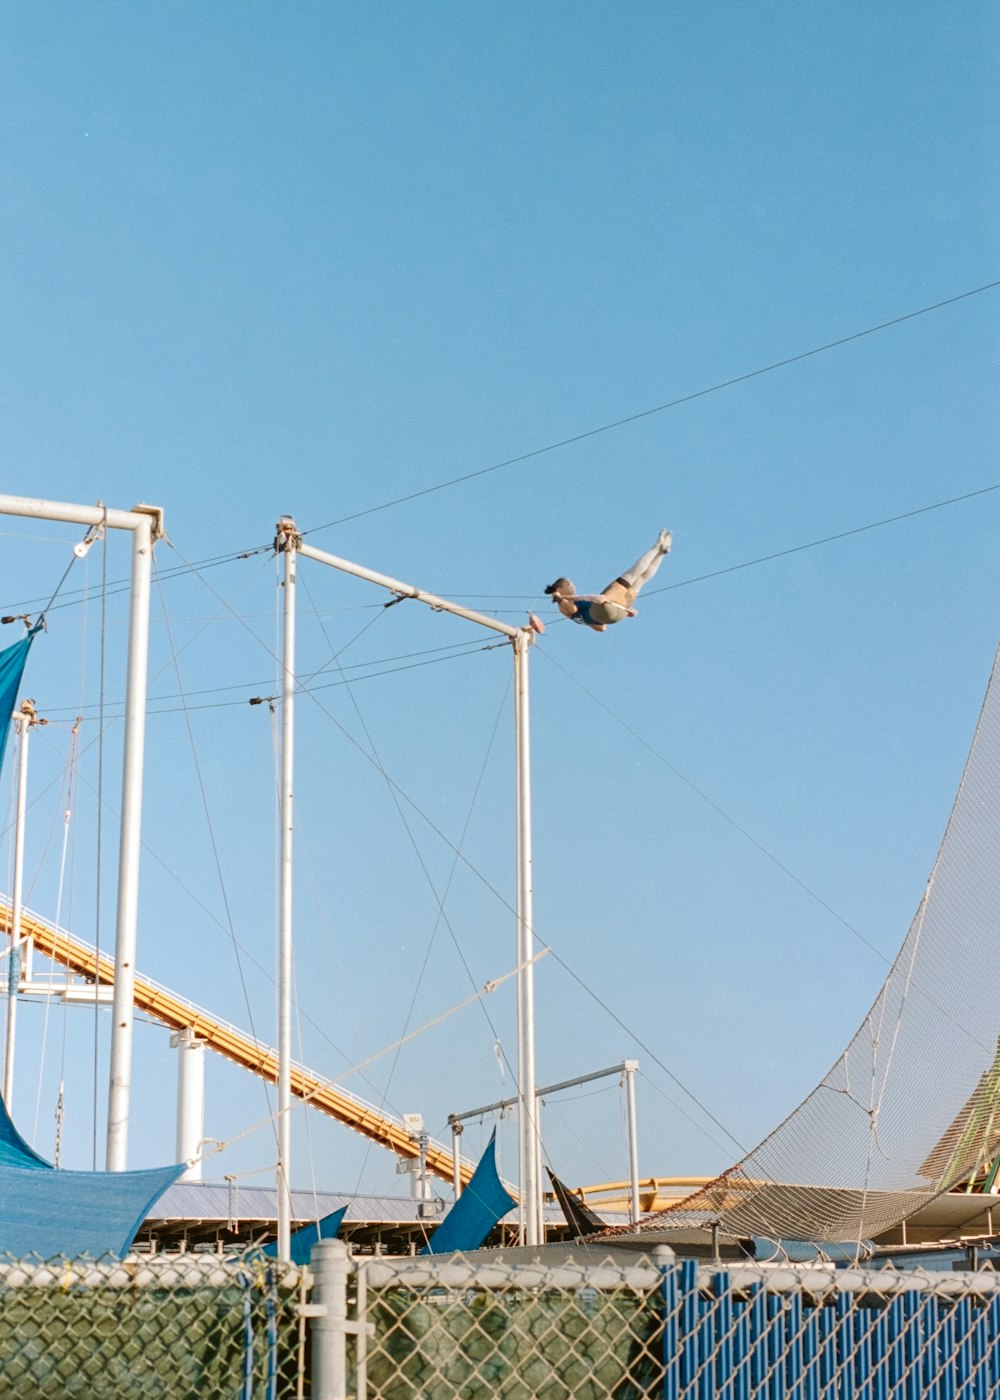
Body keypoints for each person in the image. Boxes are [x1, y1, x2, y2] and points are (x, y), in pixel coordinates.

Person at [545, 529, 672, 631]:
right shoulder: (563, 604)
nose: (573, 587)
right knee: (631, 575)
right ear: (560, 589)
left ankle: (661, 553)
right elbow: (572, 609)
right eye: (568, 584)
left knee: (641, 579)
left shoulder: (574, 611)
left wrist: (588, 618)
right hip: (605, 607)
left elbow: (601, 628)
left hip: (616, 615)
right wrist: (559, 597)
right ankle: (657, 547)